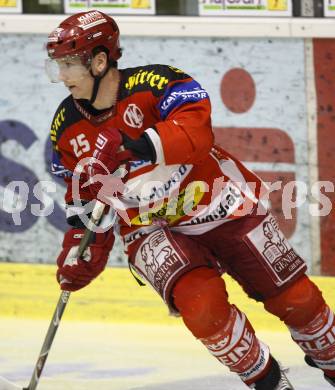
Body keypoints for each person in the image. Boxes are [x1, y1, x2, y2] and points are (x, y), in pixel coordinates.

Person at [45, 10, 335, 390]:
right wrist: (81, 254)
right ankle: (268, 383)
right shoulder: (65, 128)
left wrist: (133, 144)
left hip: (217, 199)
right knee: (203, 309)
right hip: (149, 225)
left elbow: (197, 132)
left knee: (297, 300)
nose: (62, 76)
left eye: (70, 64)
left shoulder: (158, 82)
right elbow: (87, 199)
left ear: (100, 61)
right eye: (58, 66)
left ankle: (330, 356)